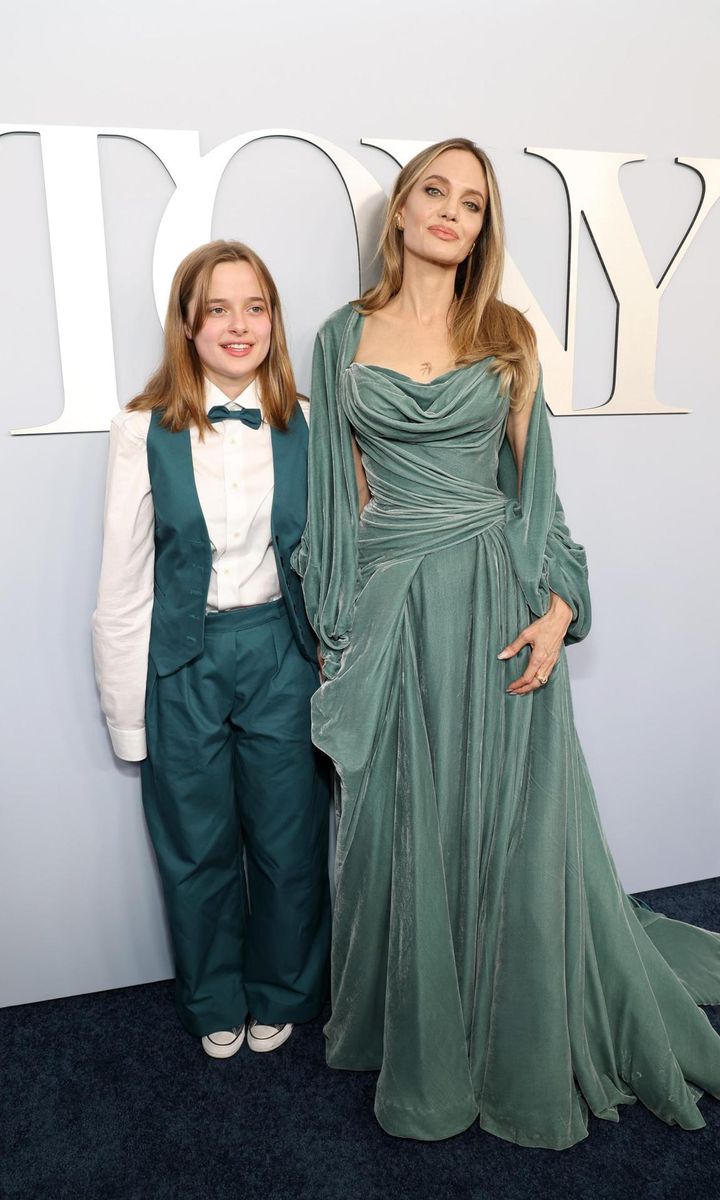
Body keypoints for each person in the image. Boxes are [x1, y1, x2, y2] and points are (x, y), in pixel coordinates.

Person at [293, 139, 720, 1147]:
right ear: (399, 213)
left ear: (484, 229)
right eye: (434, 193)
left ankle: (512, 1019)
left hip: (495, 600)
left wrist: (560, 606)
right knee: (402, 820)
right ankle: (422, 1029)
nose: (451, 213)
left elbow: (536, 494)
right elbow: (334, 500)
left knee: (506, 820)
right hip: (396, 608)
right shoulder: (337, 337)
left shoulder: (510, 335)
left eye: (472, 203)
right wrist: (340, 628)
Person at [93, 240, 330, 1059]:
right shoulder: (139, 429)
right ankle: (212, 997)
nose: (239, 324)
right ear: (188, 325)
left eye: (255, 306)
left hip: (281, 652)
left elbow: (340, 556)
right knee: (195, 844)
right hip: (183, 659)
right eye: (218, 308)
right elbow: (121, 585)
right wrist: (129, 719)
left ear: (274, 320)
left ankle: (287, 989)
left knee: (289, 837)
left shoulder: (310, 419)